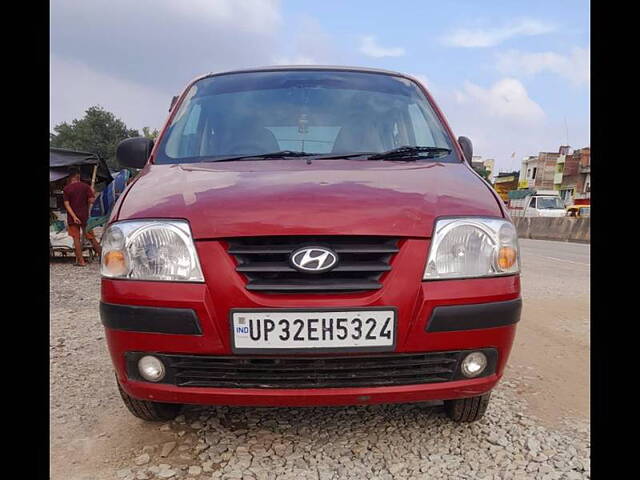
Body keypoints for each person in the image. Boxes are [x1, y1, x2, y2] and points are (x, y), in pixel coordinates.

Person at [63, 168, 102, 266]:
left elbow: (67, 205)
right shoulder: (86, 187)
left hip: (73, 218)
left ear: (71, 178)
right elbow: (92, 201)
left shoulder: (67, 189)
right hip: (85, 216)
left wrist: (74, 216)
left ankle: (81, 261)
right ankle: (103, 258)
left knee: (76, 238)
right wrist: (92, 192)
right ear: (78, 177)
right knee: (91, 238)